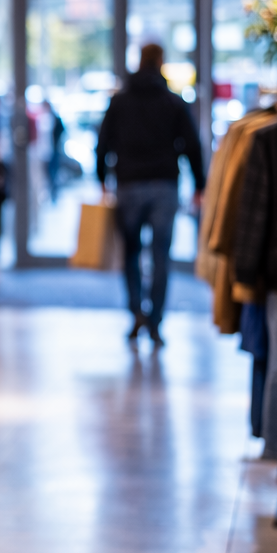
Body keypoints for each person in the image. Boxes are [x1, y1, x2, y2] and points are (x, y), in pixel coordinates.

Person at [95, 42, 205, 345]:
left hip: (128, 184)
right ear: (160, 61)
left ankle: (136, 313)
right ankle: (155, 321)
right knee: (160, 256)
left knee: (130, 253)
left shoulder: (120, 101)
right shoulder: (173, 101)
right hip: (164, 186)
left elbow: (103, 141)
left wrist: (101, 177)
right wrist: (200, 185)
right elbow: (192, 144)